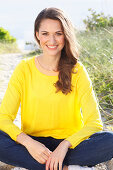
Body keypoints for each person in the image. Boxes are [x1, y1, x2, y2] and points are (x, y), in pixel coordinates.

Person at [0, 7, 113, 170]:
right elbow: (4, 117)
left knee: (110, 140)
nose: (51, 40)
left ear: (65, 35)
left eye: (58, 33)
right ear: (37, 35)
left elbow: (94, 122)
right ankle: (66, 168)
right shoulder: (24, 69)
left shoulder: (77, 71)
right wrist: (29, 143)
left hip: (70, 146)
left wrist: (65, 145)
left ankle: (50, 165)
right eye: (45, 33)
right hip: (34, 145)